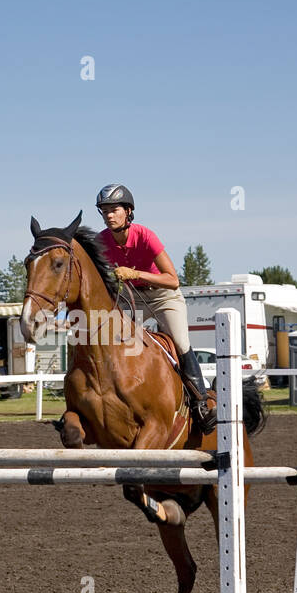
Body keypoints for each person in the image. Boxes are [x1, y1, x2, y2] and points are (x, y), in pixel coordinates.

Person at [94, 183, 216, 433]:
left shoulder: (146, 235)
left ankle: (201, 402)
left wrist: (135, 273)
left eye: (114, 209)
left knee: (180, 342)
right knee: (115, 343)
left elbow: (173, 279)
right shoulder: (101, 241)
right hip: (132, 299)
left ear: (128, 211)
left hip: (164, 297)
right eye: (104, 210)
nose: (108, 215)